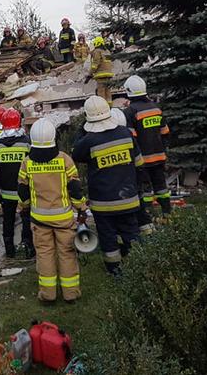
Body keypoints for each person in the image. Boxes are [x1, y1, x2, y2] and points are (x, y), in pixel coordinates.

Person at [72, 96, 144, 276]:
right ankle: (138, 266)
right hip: (128, 197)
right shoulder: (125, 133)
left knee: (108, 237)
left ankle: (115, 271)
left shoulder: (89, 141)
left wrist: (83, 130)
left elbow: (76, 154)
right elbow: (139, 163)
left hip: (103, 203)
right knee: (131, 233)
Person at [17, 118, 86, 302]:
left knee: (45, 255)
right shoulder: (65, 159)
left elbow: (23, 192)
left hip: (39, 220)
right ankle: (71, 294)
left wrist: (23, 208)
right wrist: (81, 208)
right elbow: (75, 189)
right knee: (67, 254)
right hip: (63, 219)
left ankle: (48, 294)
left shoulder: (27, 163)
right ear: (53, 138)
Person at [0, 109, 34, 258]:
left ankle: (9, 251)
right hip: (24, 191)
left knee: (8, 220)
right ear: (19, 123)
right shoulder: (26, 142)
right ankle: (28, 248)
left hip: (6, 193)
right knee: (26, 219)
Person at [123, 75, 171, 217]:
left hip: (142, 159)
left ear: (129, 92)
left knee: (145, 190)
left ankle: (148, 216)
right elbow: (165, 133)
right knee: (161, 187)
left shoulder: (130, 112)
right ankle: (167, 214)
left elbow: (131, 139)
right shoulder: (156, 109)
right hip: (159, 157)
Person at [110, 107, 155, 237]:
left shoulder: (109, 140)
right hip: (133, 182)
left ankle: (132, 236)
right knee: (139, 210)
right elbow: (139, 162)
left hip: (122, 187)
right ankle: (148, 233)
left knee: (128, 217)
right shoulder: (128, 137)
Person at [89, 30, 114, 105]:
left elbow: (95, 64)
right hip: (109, 75)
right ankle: (110, 107)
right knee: (108, 92)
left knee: (101, 92)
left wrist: (90, 74)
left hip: (101, 75)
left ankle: (103, 107)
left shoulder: (97, 51)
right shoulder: (107, 51)